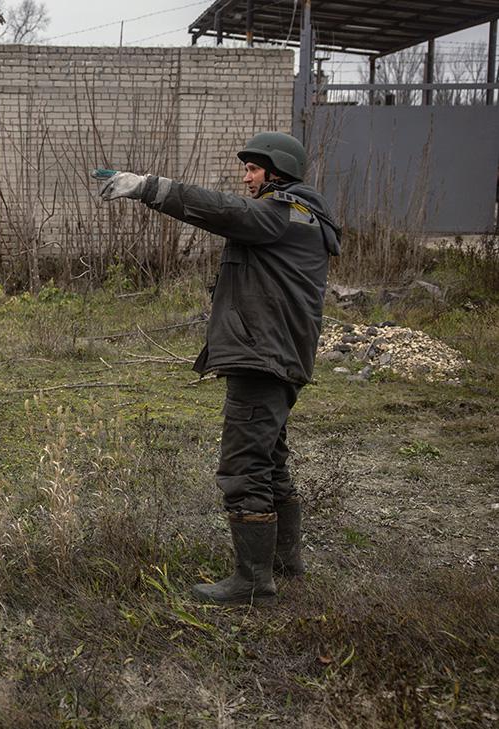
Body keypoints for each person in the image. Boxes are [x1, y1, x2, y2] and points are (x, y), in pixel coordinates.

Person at [98, 131, 341, 607]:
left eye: (253, 169)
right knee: (270, 462)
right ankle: (285, 566)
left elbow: (224, 210)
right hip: (277, 356)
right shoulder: (300, 217)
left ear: (277, 172)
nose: (246, 177)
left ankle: (252, 583)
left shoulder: (282, 214)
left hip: (263, 358)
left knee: (244, 469)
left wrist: (149, 186)